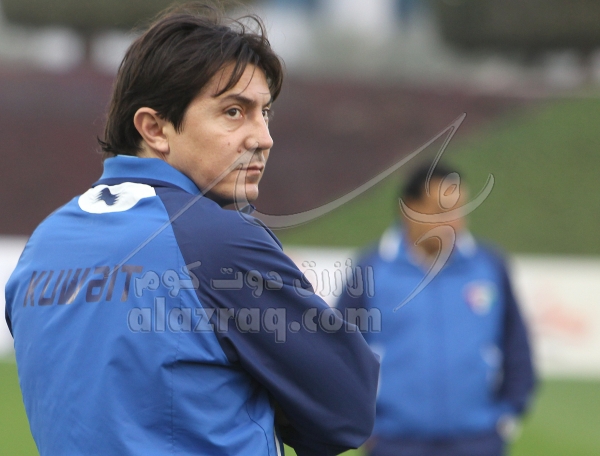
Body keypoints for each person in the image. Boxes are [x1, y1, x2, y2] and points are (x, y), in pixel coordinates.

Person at [4, 4, 379, 455]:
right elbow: (348, 411)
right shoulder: (218, 240)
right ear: (154, 129)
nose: (263, 137)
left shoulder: (43, 244)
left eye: (265, 113)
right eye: (234, 111)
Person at [337, 164, 535, 456]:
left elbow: (516, 344)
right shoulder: (371, 269)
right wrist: (368, 427)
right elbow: (340, 353)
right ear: (410, 209)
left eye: (460, 210)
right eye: (442, 211)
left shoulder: (489, 267)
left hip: (478, 442)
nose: (454, 222)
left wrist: (508, 415)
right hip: (395, 443)